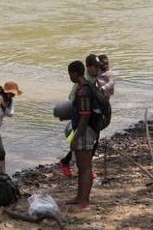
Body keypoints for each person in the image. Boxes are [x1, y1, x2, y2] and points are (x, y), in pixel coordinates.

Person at [59, 54, 101, 177]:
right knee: (80, 144)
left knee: (90, 143)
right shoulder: (83, 82)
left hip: (90, 118)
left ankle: (84, 168)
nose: (97, 70)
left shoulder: (93, 80)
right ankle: (68, 164)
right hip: (82, 118)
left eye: (98, 67)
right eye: (95, 67)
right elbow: (72, 98)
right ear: (88, 67)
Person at [65, 60, 97, 211]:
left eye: (69, 73)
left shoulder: (84, 91)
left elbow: (85, 117)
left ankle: (84, 203)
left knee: (85, 168)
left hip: (84, 132)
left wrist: (75, 138)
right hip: (81, 130)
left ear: (75, 73)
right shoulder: (81, 88)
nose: (69, 76)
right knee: (80, 166)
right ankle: (79, 197)